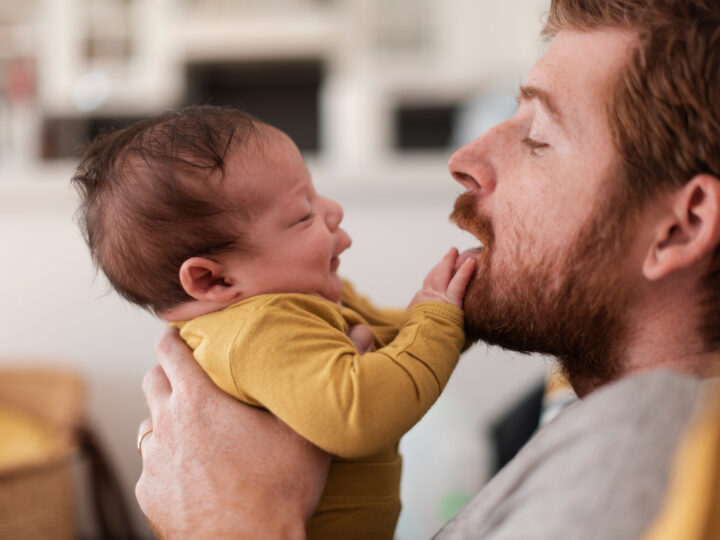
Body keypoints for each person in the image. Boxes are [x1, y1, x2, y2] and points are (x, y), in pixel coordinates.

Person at [135, 0, 720, 537]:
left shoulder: (639, 450)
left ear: (680, 226)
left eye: (539, 137)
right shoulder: (577, 408)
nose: (463, 161)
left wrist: (228, 518)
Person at [71, 107, 476, 539]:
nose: (334, 210)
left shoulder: (300, 303)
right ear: (213, 278)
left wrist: (454, 309)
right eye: (303, 214)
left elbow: (393, 350)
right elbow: (360, 412)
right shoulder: (260, 329)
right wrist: (438, 319)